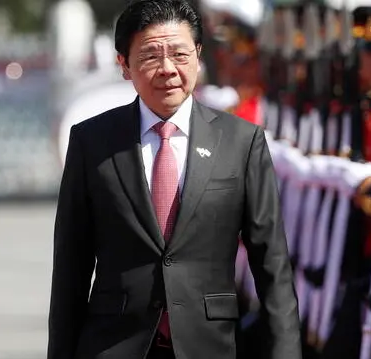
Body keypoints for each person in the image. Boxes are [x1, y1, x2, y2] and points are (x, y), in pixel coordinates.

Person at [46, 1, 302, 358]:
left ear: (198, 55)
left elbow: (272, 266)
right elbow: (71, 269)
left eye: (180, 54)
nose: (167, 69)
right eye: (150, 56)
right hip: (115, 344)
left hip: (209, 344)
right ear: (124, 64)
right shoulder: (93, 142)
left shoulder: (241, 142)